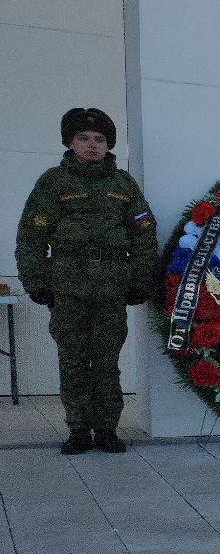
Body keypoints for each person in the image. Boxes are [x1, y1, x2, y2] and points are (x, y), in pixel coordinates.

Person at [13, 107, 155, 454]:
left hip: (111, 285)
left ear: (108, 145)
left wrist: (141, 279)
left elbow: (144, 235)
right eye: (84, 138)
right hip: (68, 285)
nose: (92, 145)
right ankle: (78, 429)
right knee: (73, 359)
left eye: (100, 139)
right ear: (70, 142)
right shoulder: (53, 183)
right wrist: (36, 281)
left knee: (107, 360)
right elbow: (31, 236)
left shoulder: (123, 185)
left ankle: (106, 429)